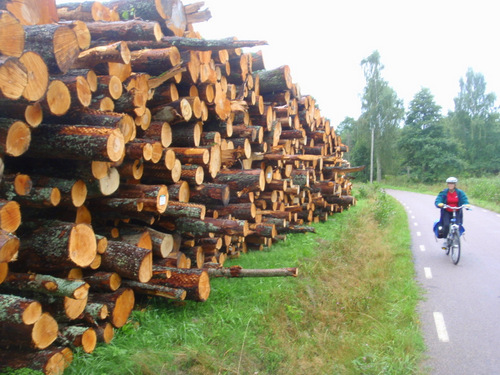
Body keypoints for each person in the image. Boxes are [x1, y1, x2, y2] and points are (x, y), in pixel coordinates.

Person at [435, 177, 470, 246]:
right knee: (446, 225)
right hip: (446, 211)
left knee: (457, 225)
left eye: (452, 184)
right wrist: (439, 203)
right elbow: (438, 200)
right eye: (449, 184)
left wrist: (466, 204)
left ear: (455, 185)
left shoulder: (459, 193)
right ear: (447, 184)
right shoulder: (444, 192)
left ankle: (456, 239)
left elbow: (464, 199)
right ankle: (445, 240)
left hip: (457, 211)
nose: (450, 185)